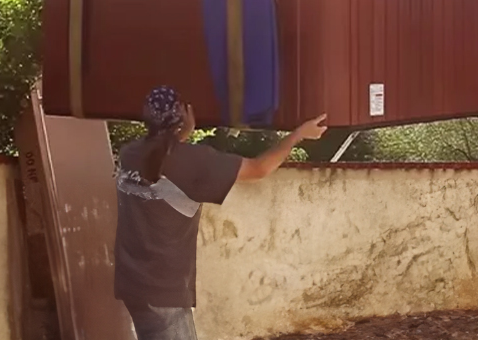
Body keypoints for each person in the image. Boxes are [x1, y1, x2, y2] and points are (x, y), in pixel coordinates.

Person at [114, 85, 328, 340]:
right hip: (163, 289)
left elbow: (161, 159)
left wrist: (182, 133)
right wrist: (298, 135)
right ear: (184, 115)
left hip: (131, 282)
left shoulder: (130, 154)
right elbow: (259, 169)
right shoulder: (193, 161)